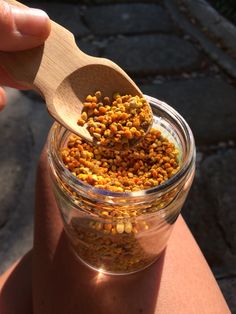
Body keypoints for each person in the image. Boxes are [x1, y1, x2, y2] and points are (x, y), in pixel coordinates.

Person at [0, 1, 230, 313]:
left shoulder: (165, 171)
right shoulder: (74, 163)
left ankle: (37, 262)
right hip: (80, 200)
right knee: (52, 164)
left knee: (35, 268)